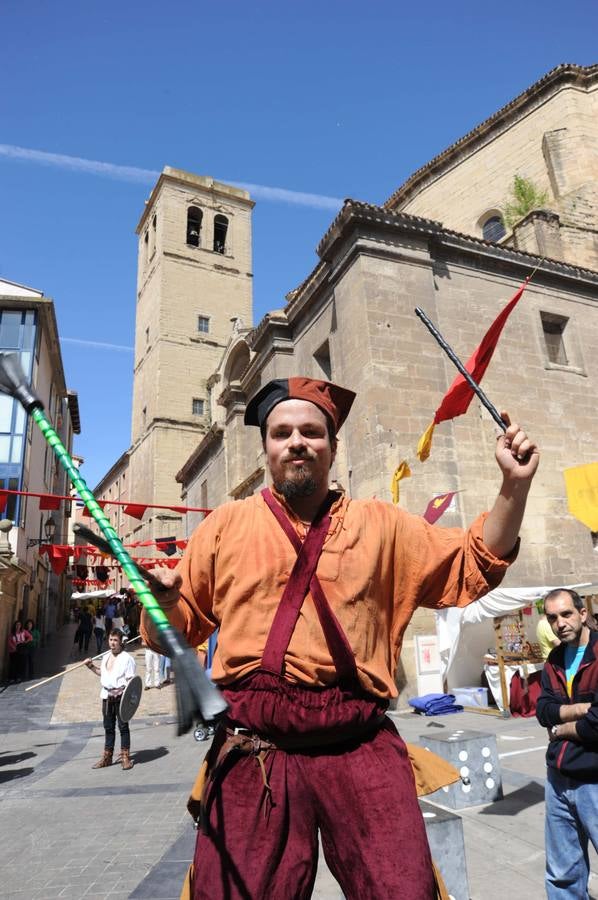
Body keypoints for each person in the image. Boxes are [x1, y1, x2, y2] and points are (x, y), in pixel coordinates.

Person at [141, 376, 539, 900]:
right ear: (266, 448)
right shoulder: (225, 525)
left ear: (332, 445)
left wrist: (514, 486)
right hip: (256, 754)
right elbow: (171, 634)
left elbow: (473, 561)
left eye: (311, 431)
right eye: (281, 433)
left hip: (360, 747)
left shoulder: (382, 524)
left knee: (404, 890)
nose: (296, 442)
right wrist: (166, 604)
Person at [536, 588, 598, 898]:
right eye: (552, 618)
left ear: (582, 614)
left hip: (595, 779)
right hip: (558, 780)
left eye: (566, 614)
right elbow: (542, 710)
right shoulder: (554, 659)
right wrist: (582, 710)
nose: (560, 623)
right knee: (562, 874)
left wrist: (560, 730)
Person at [85, 629, 137, 770]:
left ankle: (125, 757)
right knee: (108, 728)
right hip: (107, 697)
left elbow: (131, 682)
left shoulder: (127, 659)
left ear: (121, 642)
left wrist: (130, 701)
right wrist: (90, 666)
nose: (112, 643)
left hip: (121, 698)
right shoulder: (106, 657)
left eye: (115, 640)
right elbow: (103, 675)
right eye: (110, 640)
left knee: (123, 727)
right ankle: (107, 757)